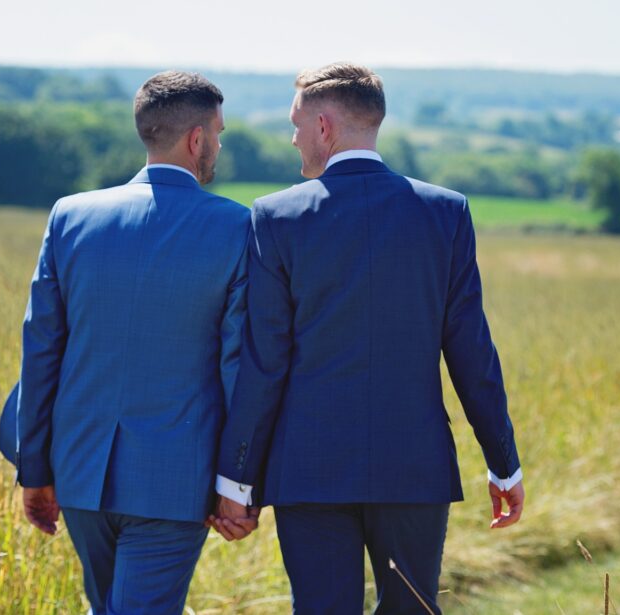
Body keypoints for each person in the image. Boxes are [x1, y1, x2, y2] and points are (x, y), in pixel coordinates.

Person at [210, 62, 525, 614]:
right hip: (414, 464)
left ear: (325, 127)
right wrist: (503, 462)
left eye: (297, 124)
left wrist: (237, 479)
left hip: (308, 468)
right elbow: (472, 352)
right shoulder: (445, 212)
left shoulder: (275, 217)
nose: (293, 138)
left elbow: (264, 362)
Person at [14, 70, 254, 615]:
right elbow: (239, 365)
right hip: (176, 479)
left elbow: (40, 350)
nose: (218, 144)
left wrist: (36, 470)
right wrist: (238, 483)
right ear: (197, 140)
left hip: (78, 471)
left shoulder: (70, 216)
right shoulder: (238, 227)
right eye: (217, 132)